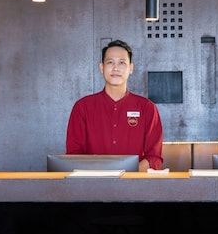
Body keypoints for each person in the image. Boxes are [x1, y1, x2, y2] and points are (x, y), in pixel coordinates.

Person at [66, 39, 164, 171]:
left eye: (122, 62)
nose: (116, 68)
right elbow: (74, 155)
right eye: (110, 62)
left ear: (131, 68)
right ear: (101, 67)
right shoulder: (83, 107)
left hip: (134, 182)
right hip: (93, 182)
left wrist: (127, 175)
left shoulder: (147, 108)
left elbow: (154, 157)